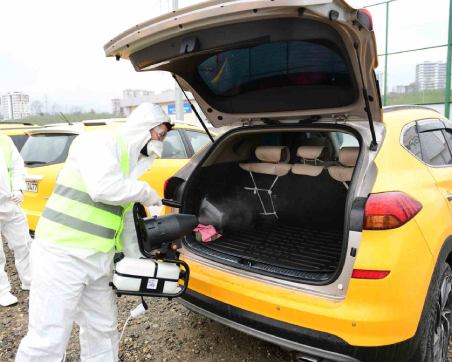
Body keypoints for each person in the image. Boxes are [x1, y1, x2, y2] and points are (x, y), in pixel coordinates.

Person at [16, 103, 172, 362]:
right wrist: (144, 192)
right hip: (61, 256)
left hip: (99, 261)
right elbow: (103, 188)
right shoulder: (99, 142)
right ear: (145, 128)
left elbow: (126, 225)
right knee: (49, 337)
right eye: (160, 133)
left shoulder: (129, 167)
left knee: (103, 329)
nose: (161, 140)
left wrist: (140, 263)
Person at [0, 133, 31, 307]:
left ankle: (29, 280)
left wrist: (19, 188)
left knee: (24, 244)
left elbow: (17, 167)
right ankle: (2, 291)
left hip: (11, 204)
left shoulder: (4, 140)